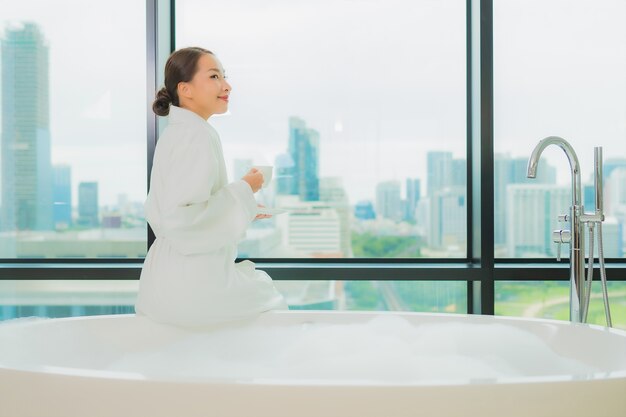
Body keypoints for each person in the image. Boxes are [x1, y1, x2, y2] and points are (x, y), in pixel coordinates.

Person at [134, 47, 288, 327]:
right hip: (192, 283)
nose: (227, 86)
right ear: (186, 89)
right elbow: (183, 219)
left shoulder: (177, 134)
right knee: (269, 300)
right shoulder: (196, 136)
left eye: (224, 77)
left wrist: (246, 207)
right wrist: (245, 188)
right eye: (214, 76)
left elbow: (182, 210)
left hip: (161, 282)